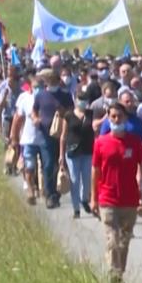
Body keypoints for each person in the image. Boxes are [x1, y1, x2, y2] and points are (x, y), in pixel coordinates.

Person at [90, 103, 142, 283]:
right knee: (112, 239)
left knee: (124, 241)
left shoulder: (135, 143)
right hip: (108, 198)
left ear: (125, 118)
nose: (116, 120)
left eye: (119, 116)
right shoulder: (101, 142)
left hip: (129, 200)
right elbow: (95, 171)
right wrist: (93, 197)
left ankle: (119, 273)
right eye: (112, 116)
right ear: (108, 117)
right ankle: (114, 275)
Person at [34, 69, 74, 209]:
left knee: (60, 163)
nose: (49, 82)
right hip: (45, 135)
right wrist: (36, 118)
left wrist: (65, 113)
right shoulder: (40, 95)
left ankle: (57, 192)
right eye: (47, 80)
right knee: (48, 163)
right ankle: (50, 194)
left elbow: (71, 111)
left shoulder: (65, 96)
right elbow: (34, 110)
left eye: (51, 79)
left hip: (62, 134)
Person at [61, 91, 95, 219]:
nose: (82, 102)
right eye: (80, 99)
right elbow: (63, 136)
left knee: (86, 179)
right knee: (75, 180)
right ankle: (76, 208)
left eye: (84, 99)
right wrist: (61, 155)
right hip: (72, 151)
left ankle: (84, 199)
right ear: (75, 100)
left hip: (87, 150)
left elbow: (95, 130)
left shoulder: (90, 114)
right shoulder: (68, 115)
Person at [10, 75, 43, 205]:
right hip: (29, 139)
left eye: (40, 87)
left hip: (44, 140)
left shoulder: (46, 98)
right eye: (35, 87)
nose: (38, 89)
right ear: (30, 86)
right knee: (29, 166)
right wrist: (14, 137)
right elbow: (17, 119)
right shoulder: (24, 98)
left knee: (45, 167)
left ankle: (43, 190)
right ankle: (30, 189)